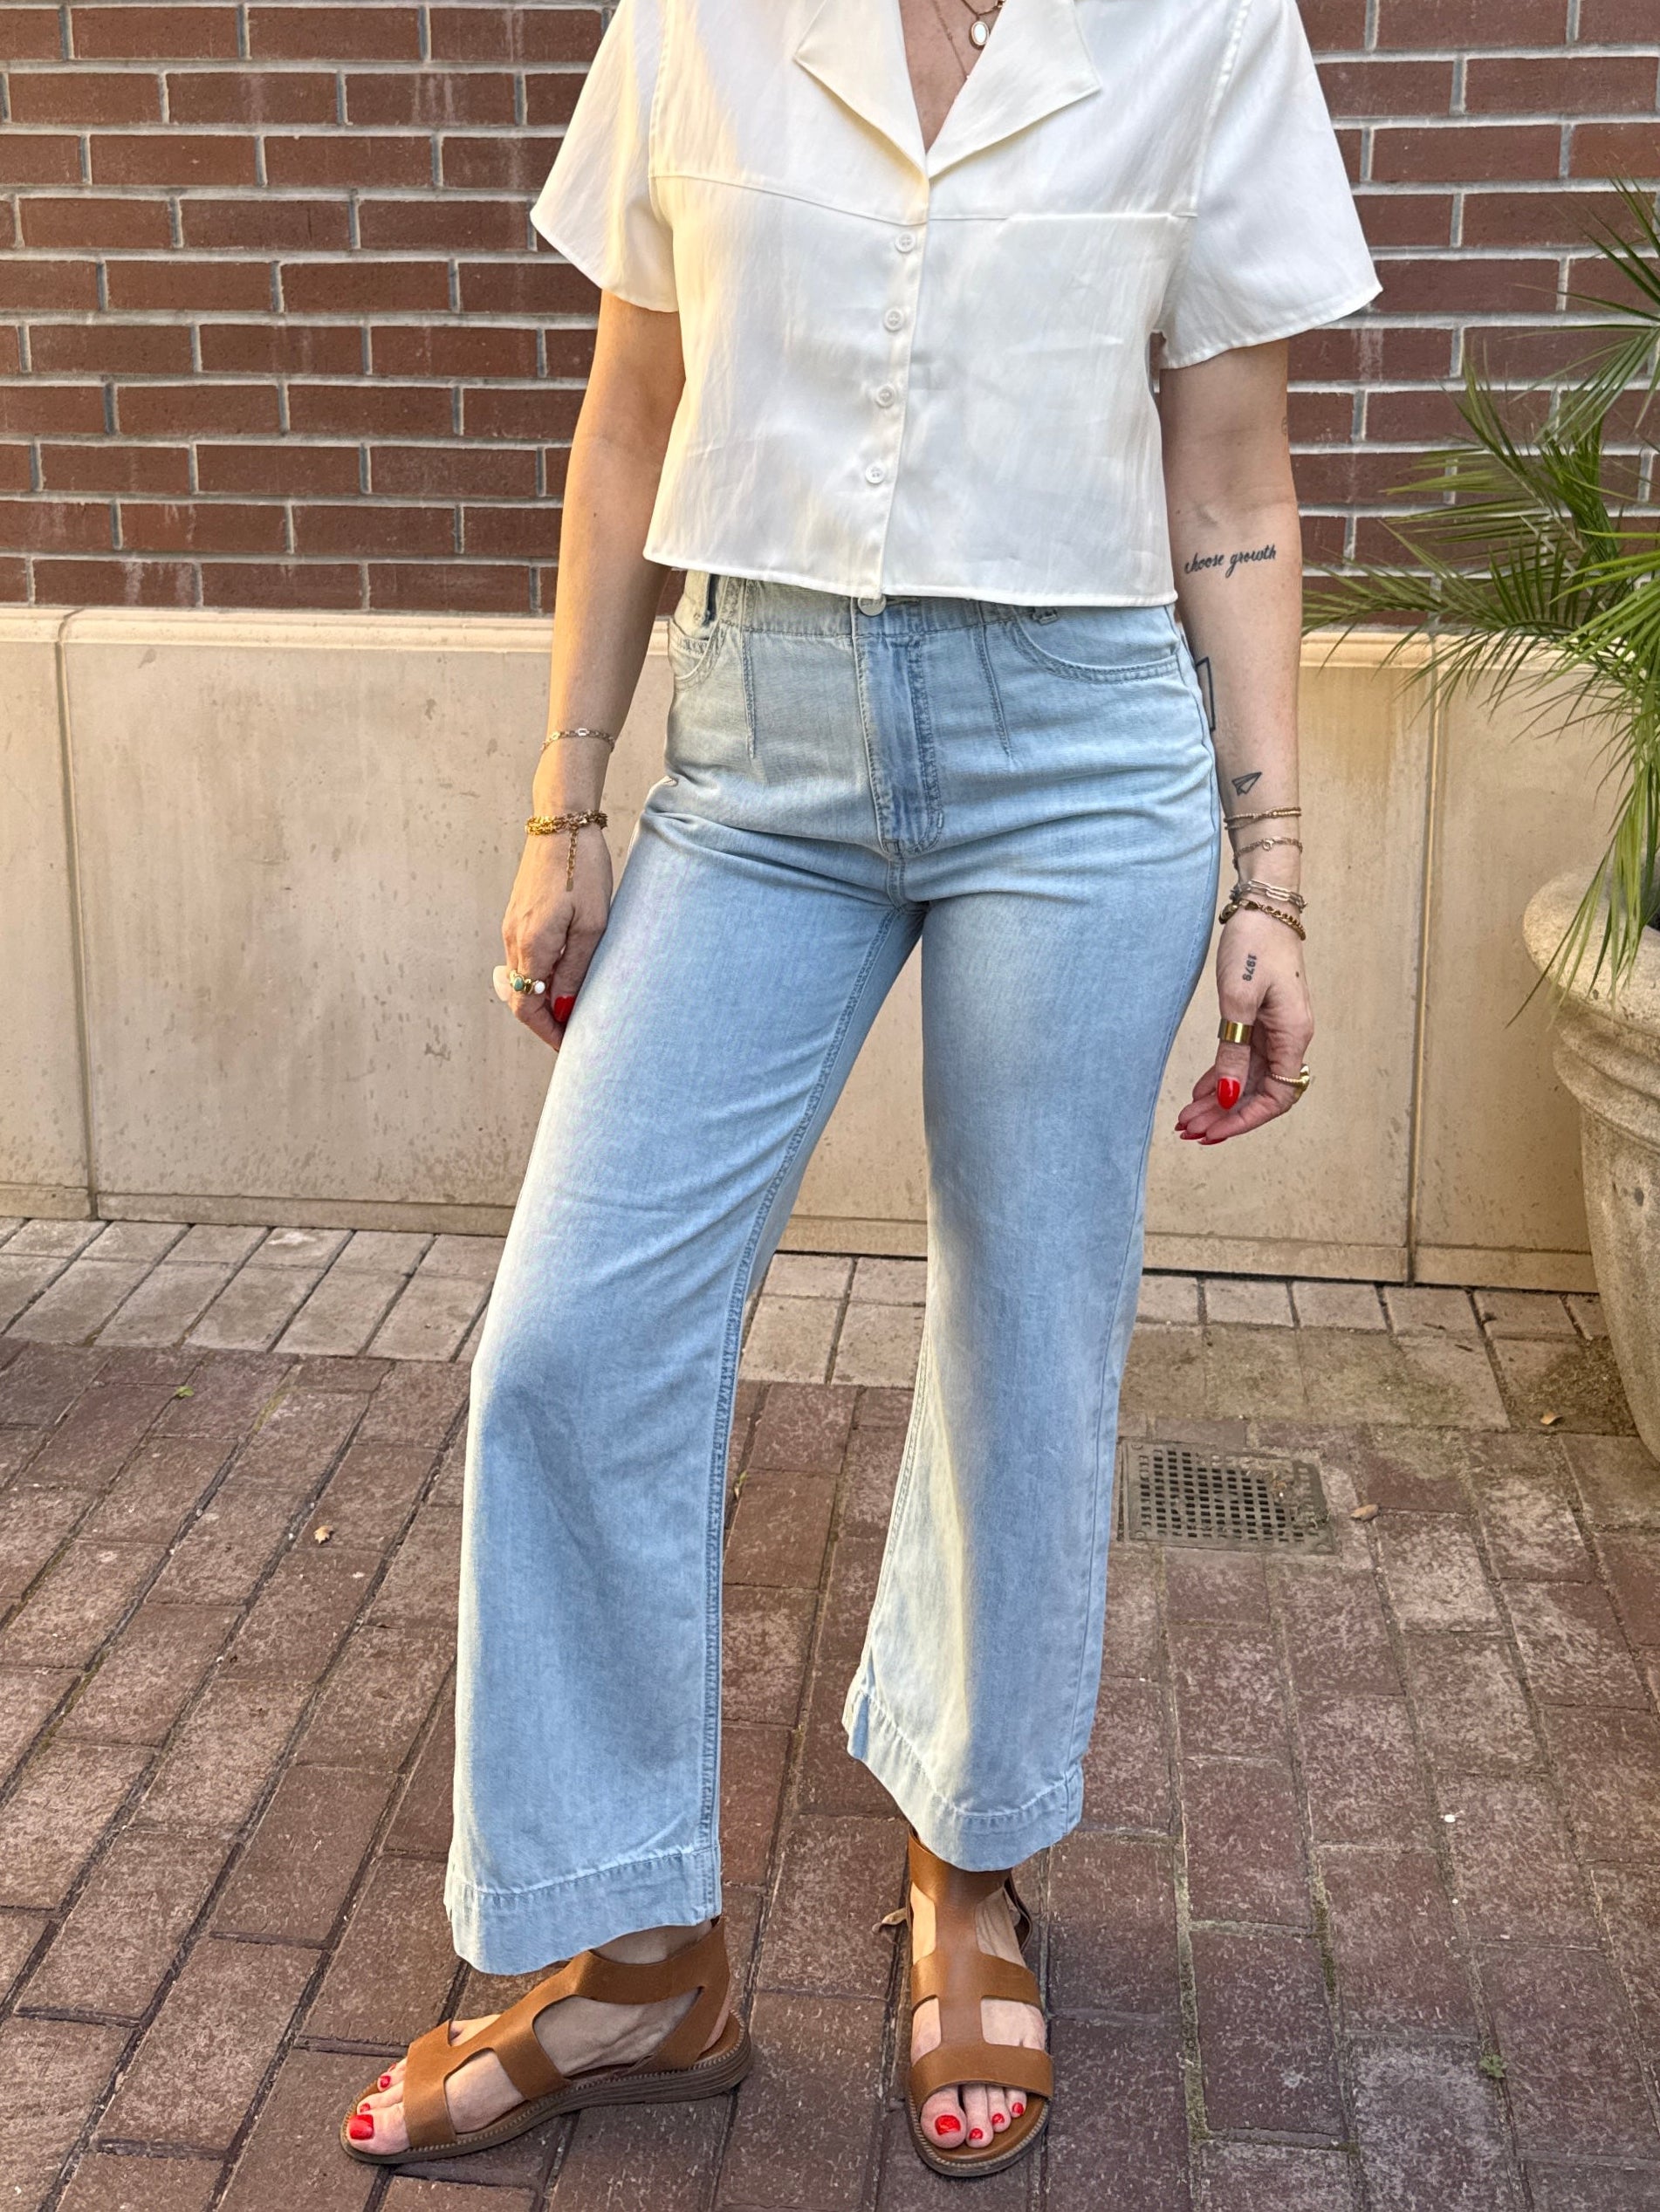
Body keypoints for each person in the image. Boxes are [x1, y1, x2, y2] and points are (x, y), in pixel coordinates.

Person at [339, 0, 1377, 2180]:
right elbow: (631, 417)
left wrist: (1270, 872)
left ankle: (971, 1860)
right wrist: (567, 797)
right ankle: (635, 1950)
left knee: (1025, 1327)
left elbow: (1236, 475)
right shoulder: (702, 18)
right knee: (567, 1340)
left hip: (1086, 752)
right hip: (758, 750)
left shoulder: (1204, 27)